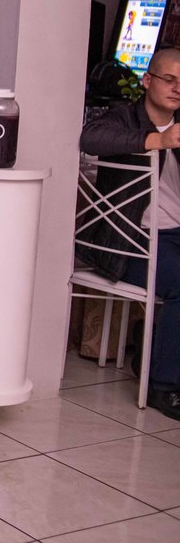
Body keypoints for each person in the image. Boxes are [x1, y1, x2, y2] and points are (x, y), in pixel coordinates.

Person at [78, 47, 180, 421]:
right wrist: (156, 140)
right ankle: (162, 386)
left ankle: (151, 349)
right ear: (148, 80)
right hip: (130, 241)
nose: (177, 88)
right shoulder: (124, 116)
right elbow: (91, 139)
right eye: (169, 79)